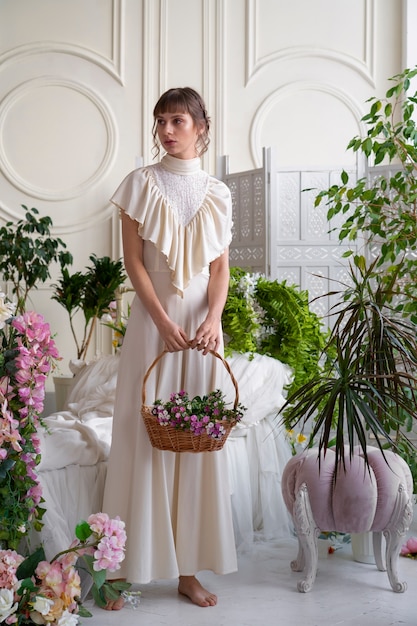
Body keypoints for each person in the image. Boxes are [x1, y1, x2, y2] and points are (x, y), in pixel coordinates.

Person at [102, 87, 237, 609]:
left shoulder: (219, 192)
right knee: (143, 432)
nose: (166, 130)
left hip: (203, 326)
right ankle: (118, 571)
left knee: (193, 438)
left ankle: (187, 572)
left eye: (177, 120)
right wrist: (159, 319)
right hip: (153, 321)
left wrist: (214, 318)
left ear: (202, 125)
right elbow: (133, 261)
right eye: (160, 121)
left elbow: (220, 267)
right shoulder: (138, 184)